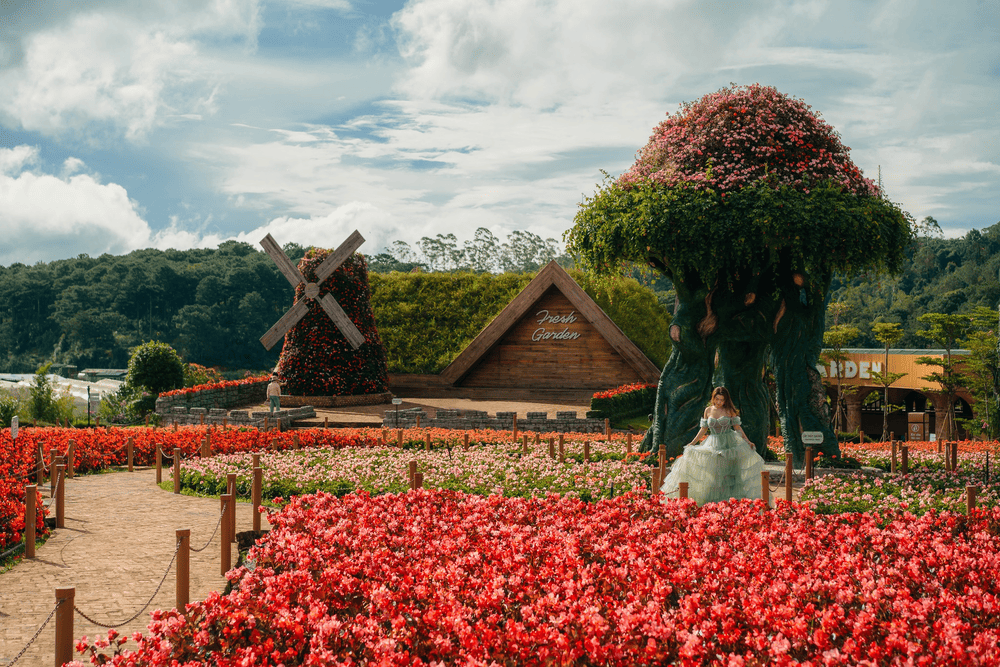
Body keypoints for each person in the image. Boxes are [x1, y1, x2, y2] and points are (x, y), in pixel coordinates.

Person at [660, 386, 766, 505]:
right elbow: (704, 429)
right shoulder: (708, 410)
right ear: (713, 398)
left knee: (729, 474)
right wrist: (692, 443)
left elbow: (737, 427)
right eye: (717, 399)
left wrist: (748, 441)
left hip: (728, 443)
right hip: (712, 443)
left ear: (726, 400)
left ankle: (730, 503)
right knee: (713, 474)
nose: (719, 402)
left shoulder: (729, 410)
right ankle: (713, 504)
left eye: (722, 400)